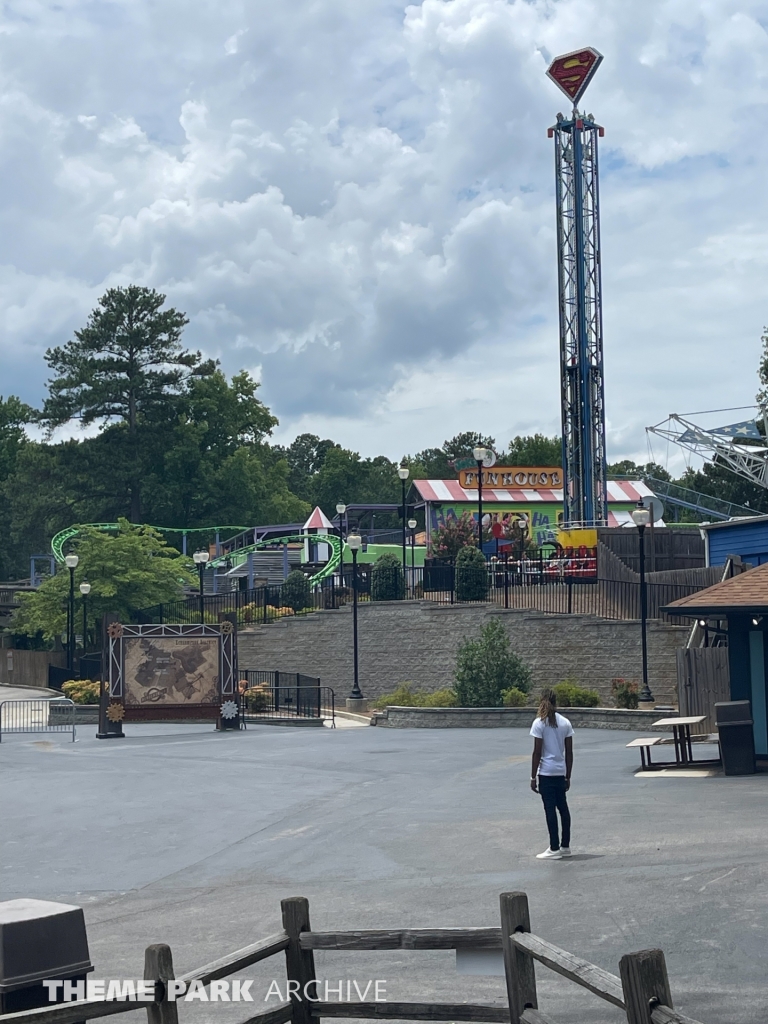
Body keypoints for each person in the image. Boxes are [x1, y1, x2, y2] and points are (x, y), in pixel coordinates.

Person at [530, 688, 573, 860]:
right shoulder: (565, 723)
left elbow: (537, 752)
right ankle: (565, 846)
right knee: (563, 808)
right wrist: (568, 776)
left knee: (550, 809)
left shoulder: (539, 723)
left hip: (546, 772)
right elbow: (569, 752)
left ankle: (554, 848)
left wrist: (533, 777)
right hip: (560, 771)